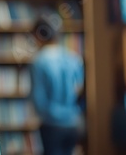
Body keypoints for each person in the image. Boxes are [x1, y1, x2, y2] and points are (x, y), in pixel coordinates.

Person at [29, 13, 85, 155]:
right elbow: (80, 92)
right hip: (73, 123)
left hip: (51, 125)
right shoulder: (73, 58)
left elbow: (39, 102)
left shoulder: (39, 61)